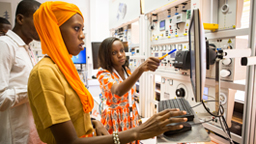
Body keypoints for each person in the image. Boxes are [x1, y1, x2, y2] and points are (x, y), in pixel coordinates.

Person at [28, 1, 188, 144]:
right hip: (116, 124)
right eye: (76, 29)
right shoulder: (44, 73)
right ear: (54, 30)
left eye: (83, 29)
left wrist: (93, 122)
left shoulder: (65, 68)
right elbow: (69, 141)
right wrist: (137, 132)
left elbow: (74, 114)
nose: (82, 35)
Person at [96, 37, 164, 144]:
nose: (120, 55)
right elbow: (118, 91)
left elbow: (130, 98)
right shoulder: (103, 73)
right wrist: (140, 69)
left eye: (122, 50)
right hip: (115, 120)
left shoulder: (126, 70)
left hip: (130, 118)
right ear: (106, 56)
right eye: (114, 53)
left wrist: (138, 120)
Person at [0, 0, 43, 144]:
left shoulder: (28, 48)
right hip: (16, 136)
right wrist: (34, 90)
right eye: (38, 21)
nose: (42, 27)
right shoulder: (5, 45)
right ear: (20, 19)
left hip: (31, 132)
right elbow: (1, 99)